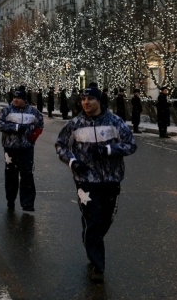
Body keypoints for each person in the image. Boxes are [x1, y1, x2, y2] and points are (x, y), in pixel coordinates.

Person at [55, 84, 137, 283]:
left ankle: (91, 239)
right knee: (93, 220)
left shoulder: (114, 122)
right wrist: (73, 162)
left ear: (99, 101)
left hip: (111, 179)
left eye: (90, 99)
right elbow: (61, 145)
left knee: (105, 220)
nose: (86, 102)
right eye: (83, 99)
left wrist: (107, 150)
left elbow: (131, 145)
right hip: (86, 181)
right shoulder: (75, 124)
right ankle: (97, 266)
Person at [0, 86, 44, 211]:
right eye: (15, 97)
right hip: (10, 148)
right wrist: (15, 127)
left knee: (27, 174)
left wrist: (34, 135)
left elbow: (40, 123)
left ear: (24, 99)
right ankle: (10, 200)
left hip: (27, 148)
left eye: (19, 98)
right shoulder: (7, 111)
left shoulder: (32, 112)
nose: (16, 100)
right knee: (11, 175)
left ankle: (27, 203)